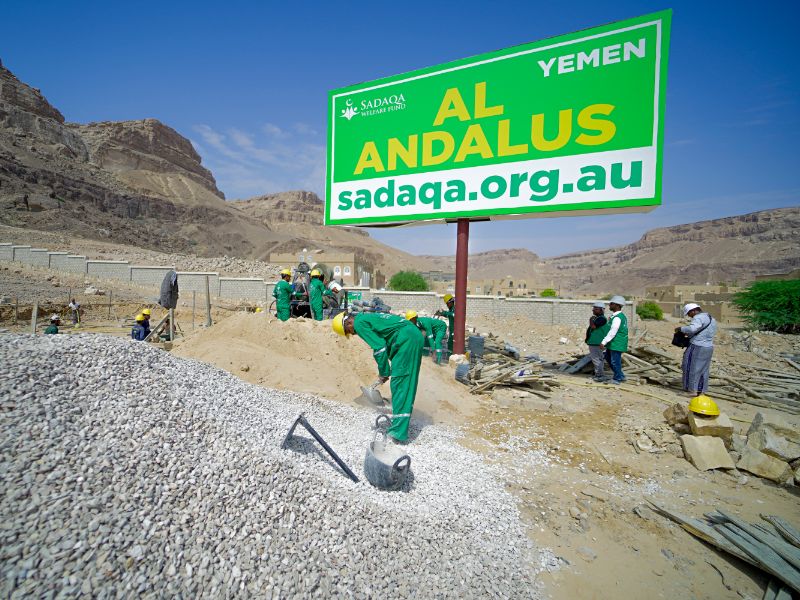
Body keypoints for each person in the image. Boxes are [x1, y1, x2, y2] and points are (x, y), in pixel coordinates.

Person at [332, 312, 423, 443]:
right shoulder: (365, 318)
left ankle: (398, 432)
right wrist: (385, 371)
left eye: (348, 331)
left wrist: (384, 371)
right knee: (403, 381)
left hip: (407, 339)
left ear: (348, 323)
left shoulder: (359, 324)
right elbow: (386, 339)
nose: (352, 334)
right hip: (409, 336)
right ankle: (399, 426)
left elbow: (379, 348)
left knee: (401, 382)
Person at [677, 303, 717, 396]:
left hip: (697, 346)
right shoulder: (711, 318)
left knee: (690, 367)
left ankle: (692, 390)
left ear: (693, 311)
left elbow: (692, 328)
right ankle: (701, 391)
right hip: (708, 347)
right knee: (704, 369)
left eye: (688, 313)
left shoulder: (698, 317)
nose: (689, 316)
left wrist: (681, 328)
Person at [599, 295, 628, 385]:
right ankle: (620, 375)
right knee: (608, 357)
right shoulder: (617, 316)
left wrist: (604, 342)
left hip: (616, 343)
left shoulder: (618, 317)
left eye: (611, 304)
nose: (609, 305)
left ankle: (617, 379)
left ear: (617, 305)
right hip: (614, 343)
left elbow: (613, 332)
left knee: (615, 361)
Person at [585, 301, 610, 381]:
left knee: (597, 359)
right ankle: (599, 375)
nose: (593, 310)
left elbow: (593, 327)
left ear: (601, 310)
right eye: (593, 308)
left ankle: (600, 376)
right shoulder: (598, 318)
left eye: (596, 309)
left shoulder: (602, 319)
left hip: (597, 342)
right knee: (597, 359)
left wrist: (591, 319)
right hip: (595, 342)